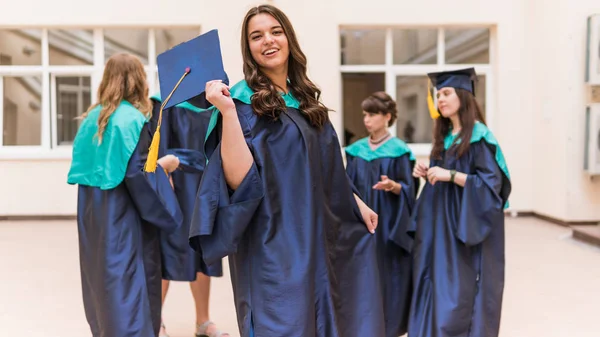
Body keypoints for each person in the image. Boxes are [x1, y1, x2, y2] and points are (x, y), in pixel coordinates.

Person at [187, 4, 385, 337]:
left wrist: (356, 201)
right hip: (273, 240)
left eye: (276, 31)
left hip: (319, 233)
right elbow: (237, 180)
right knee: (284, 322)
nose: (268, 40)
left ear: (289, 38)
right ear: (248, 49)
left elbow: (323, 167)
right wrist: (228, 114)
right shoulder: (240, 101)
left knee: (329, 315)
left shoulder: (305, 98)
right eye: (256, 36)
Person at [66, 53, 183, 337]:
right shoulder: (132, 119)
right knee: (131, 292)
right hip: (124, 221)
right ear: (138, 80)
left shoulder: (90, 119)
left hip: (93, 221)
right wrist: (164, 169)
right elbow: (137, 177)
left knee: (103, 290)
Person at [408, 67, 511, 337]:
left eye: (446, 93)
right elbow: (440, 177)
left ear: (463, 96)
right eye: (438, 94)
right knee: (436, 281)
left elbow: (491, 187)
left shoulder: (480, 137)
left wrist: (450, 175)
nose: (440, 99)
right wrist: (426, 173)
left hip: (465, 225)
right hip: (440, 225)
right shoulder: (444, 138)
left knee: (459, 289)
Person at [148, 95, 228, 337]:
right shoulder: (163, 104)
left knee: (202, 247)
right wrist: (163, 178)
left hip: (205, 184)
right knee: (165, 248)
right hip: (175, 183)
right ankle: (155, 320)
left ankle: (202, 321)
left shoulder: (216, 104)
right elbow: (157, 146)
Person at [344, 91, 419, 337]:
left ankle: (391, 326)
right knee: (363, 270)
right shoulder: (355, 151)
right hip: (360, 222)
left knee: (388, 271)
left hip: (390, 222)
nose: (367, 119)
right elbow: (346, 187)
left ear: (387, 117)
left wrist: (394, 186)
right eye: (365, 114)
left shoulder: (399, 151)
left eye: (373, 114)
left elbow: (410, 189)